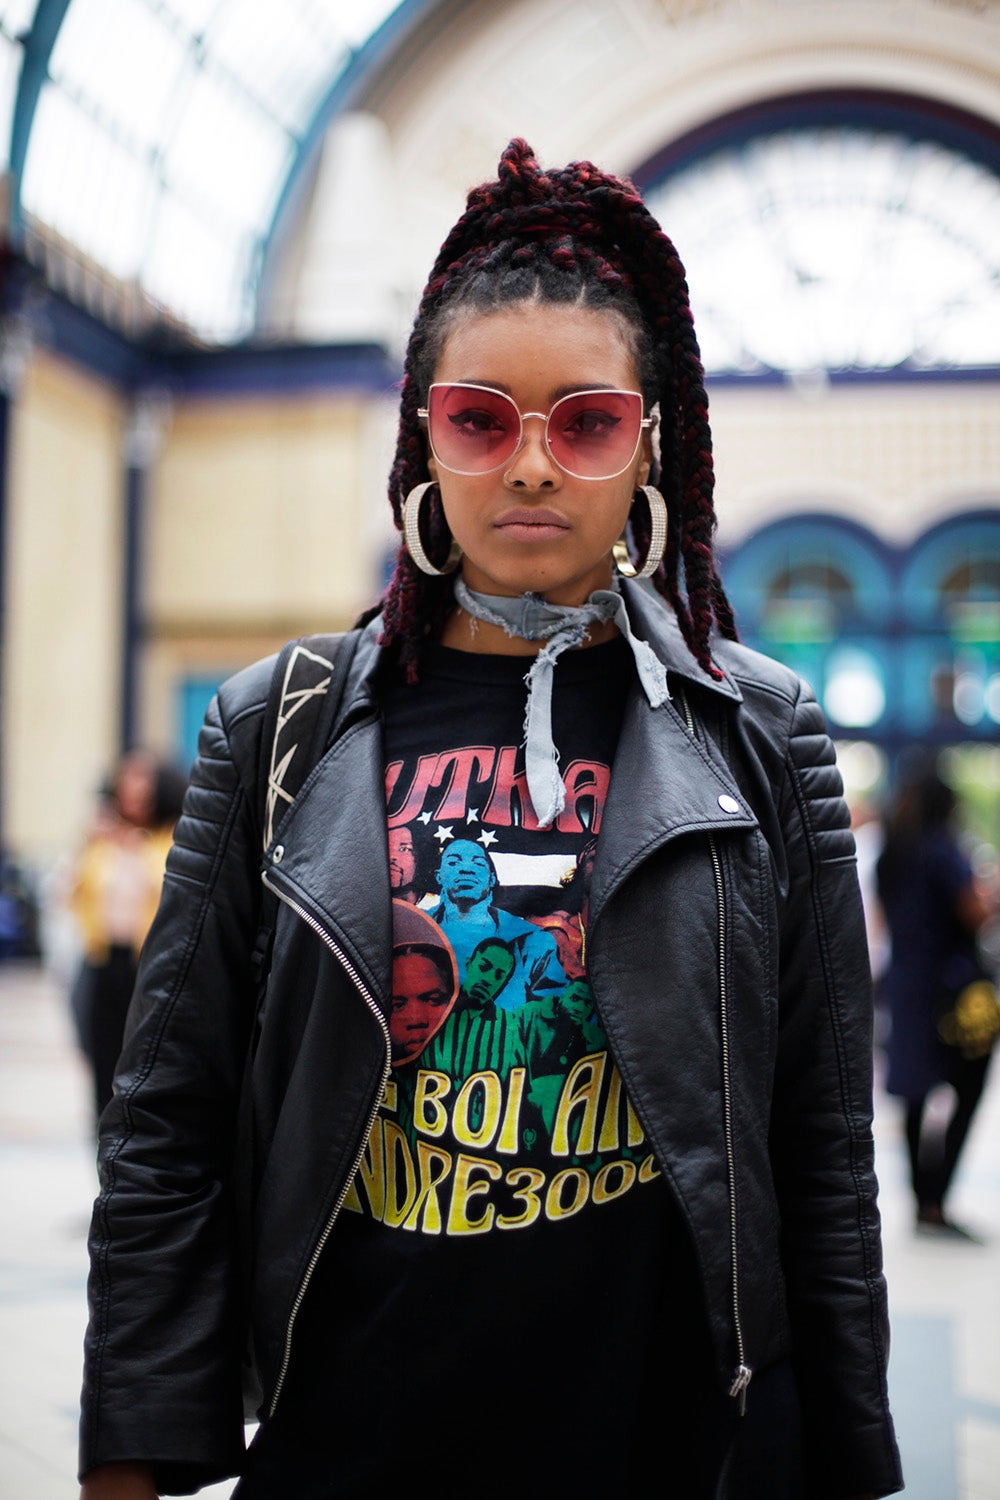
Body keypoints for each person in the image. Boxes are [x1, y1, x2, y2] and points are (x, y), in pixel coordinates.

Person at [79, 140, 901, 1499]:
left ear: (650, 440)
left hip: (661, 1441)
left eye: (583, 421)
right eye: (480, 418)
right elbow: (170, 1112)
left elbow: (818, 1140)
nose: (530, 465)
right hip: (352, 1440)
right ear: (424, 435)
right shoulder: (276, 724)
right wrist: (131, 1450)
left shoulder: (759, 731)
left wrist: (848, 1457)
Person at [876, 761, 997, 1237]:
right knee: (968, 1085)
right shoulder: (943, 850)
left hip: (907, 984)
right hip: (952, 990)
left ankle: (920, 1201)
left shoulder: (893, 854)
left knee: (912, 1093)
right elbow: (974, 912)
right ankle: (937, 1197)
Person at [70, 751, 186, 1131]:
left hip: (148, 965)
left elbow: (169, 892)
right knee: (99, 1054)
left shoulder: (171, 838)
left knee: (142, 1057)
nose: (133, 790)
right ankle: (103, 1145)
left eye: (142, 782)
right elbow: (74, 895)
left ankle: (135, 1137)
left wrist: (134, 849)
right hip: (103, 962)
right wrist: (91, 844)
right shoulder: (102, 840)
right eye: (127, 781)